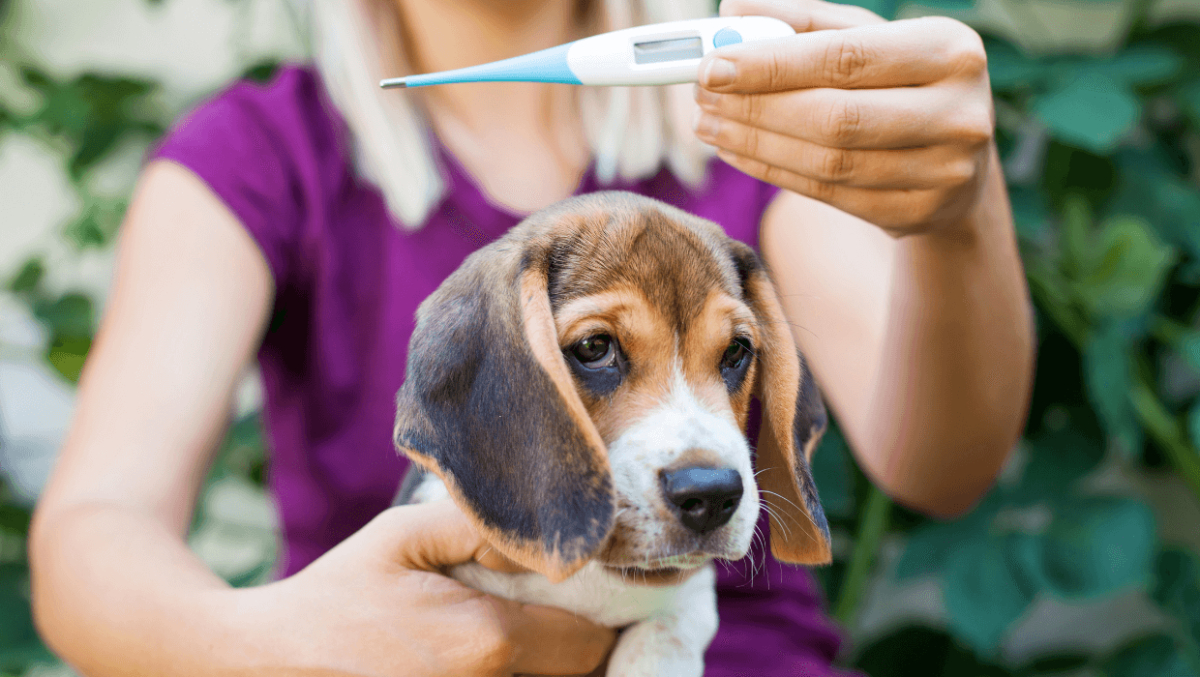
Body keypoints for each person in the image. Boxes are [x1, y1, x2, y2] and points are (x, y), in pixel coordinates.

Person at [28, 0, 1035, 674]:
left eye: (733, 358)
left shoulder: (753, 120)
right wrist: (265, 644)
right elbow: (93, 530)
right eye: (600, 346)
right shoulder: (258, 154)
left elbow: (939, 465)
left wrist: (956, 214)